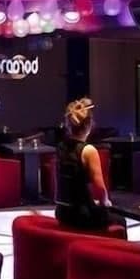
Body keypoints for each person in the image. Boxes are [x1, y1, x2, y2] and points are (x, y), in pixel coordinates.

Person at [54, 97, 112, 231]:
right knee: (120, 220)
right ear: (89, 125)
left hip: (62, 212)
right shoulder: (88, 150)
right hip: (82, 215)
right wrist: (105, 202)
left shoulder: (60, 147)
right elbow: (100, 188)